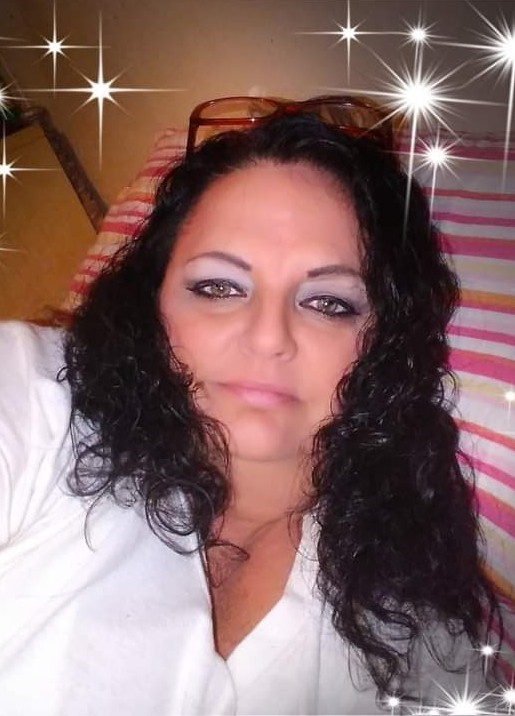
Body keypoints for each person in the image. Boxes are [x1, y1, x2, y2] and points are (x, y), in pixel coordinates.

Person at [0, 110, 507, 715]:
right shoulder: (40, 395)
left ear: (384, 343)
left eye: (328, 302)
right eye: (218, 287)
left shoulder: (422, 637)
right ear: (151, 303)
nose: (268, 337)